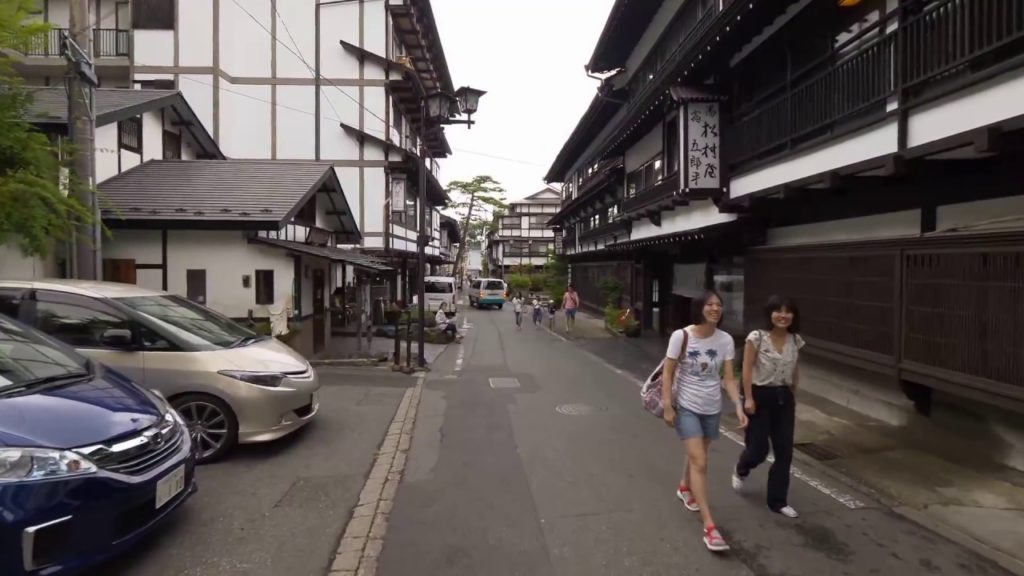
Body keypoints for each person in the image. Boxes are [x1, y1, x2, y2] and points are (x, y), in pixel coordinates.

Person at [662, 290, 747, 552]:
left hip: (712, 407)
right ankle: (710, 527)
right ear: (699, 308)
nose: (715, 308)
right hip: (687, 406)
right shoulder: (682, 336)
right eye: (710, 304)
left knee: (698, 454)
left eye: (719, 305)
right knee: (700, 460)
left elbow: (728, 377)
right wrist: (668, 405)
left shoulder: (725, 340)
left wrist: (738, 405)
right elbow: (668, 371)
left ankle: (684, 486)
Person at [733, 295, 804, 518]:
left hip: (784, 396)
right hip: (759, 394)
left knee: (784, 451)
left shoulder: (795, 340)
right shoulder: (757, 338)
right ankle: (742, 467)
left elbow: (795, 369)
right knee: (759, 449)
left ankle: (778, 501)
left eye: (788, 311)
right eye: (778, 311)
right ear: (770, 314)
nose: (783, 316)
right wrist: (749, 398)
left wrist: (793, 393)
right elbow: (746, 369)